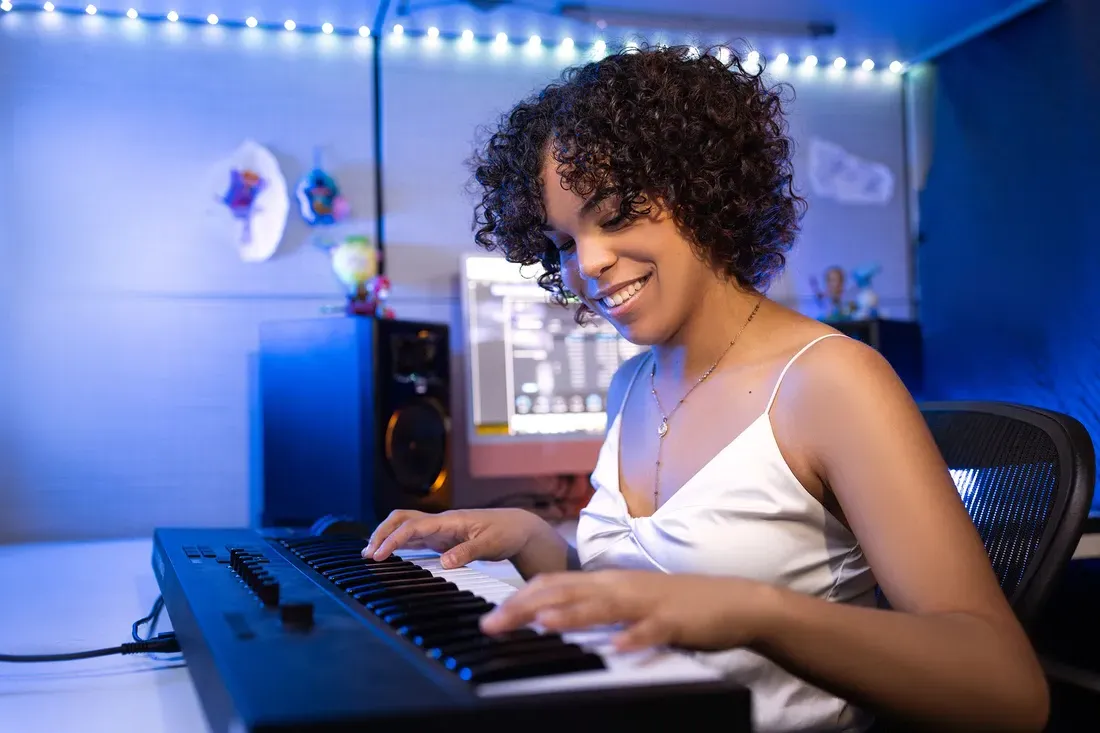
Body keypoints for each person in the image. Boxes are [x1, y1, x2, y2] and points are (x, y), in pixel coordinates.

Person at [362, 45, 1049, 732]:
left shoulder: (829, 383)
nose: (588, 262)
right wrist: (531, 538)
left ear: (699, 187)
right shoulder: (631, 384)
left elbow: (1006, 688)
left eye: (614, 213)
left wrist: (757, 611)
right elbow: (651, 593)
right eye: (564, 241)